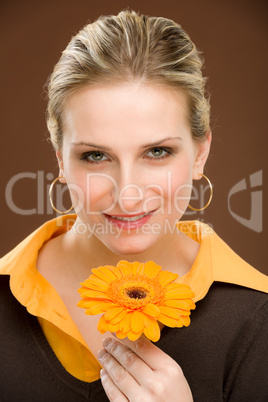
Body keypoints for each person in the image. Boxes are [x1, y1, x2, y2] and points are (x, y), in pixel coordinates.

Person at [0, 9, 267, 402]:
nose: (127, 195)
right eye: (95, 156)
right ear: (60, 159)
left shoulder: (256, 319)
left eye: (157, 151)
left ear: (200, 152)